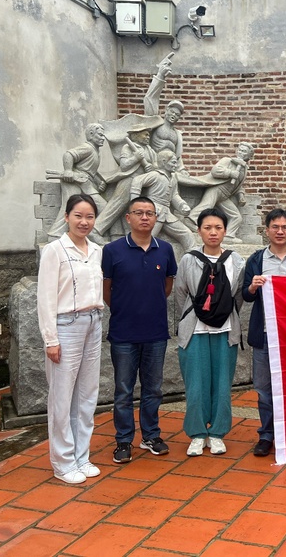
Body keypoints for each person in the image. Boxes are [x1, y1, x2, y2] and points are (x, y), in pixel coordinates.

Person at [102, 197, 177, 464]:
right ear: (128, 218)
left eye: (150, 213)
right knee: (123, 390)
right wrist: (125, 308)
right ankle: (123, 440)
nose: (145, 217)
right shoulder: (112, 250)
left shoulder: (165, 249)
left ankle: (151, 435)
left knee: (153, 389)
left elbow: (167, 285)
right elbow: (107, 289)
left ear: (156, 218)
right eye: (139, 213)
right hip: (123, 333)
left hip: (155, 332)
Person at [37, 194, 104, 484]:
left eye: (89, 217)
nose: (84, 222)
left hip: (94, 322)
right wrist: (50, 339)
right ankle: (63, 463)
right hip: (66, 325)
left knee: (87, 395)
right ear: (66, 217)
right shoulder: (55, 250)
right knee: (62, 397)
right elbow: (45, 297)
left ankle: (81, 456)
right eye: (78, 215)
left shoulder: (96, 250)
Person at [175, 207, 245, 457]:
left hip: (226, 330)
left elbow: (238, 296)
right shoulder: (188, 259)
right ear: (199, 231)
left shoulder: (236, 261)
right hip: (195, 330)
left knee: (222, 384)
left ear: (225, 231)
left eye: (218, 228)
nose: (213, 232)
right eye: (207, 228)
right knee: (195, 384)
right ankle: (196, 434)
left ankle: (217, 433)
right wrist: (189, 318)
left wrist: (221, 312)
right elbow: (181, 294)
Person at [243, 208, 286, 457]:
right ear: (267, 230)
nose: (280, 231)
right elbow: (245, 295)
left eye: (285, 227)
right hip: (265, 334)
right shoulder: (256, 260)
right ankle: (266, 435)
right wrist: (253, 286)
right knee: (264, 388)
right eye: (275, 227)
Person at [46, 123, 108, 239]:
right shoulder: (88, 148)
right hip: (73, 182)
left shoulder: (95, 151)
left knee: (100, 207)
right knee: (70, 207)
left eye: (103, 135)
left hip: (85, 182)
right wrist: (68, 170)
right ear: (91, 135)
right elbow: (68, 154)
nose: (103, 138)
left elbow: (90, 170)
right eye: (100, 135)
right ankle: (55, 235)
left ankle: (92, 233)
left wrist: (99, 182)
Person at [187, 142, 256, 243]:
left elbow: (238, 185)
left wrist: (241, 195)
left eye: (244, 151)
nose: (241, 152)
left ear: (249, 156)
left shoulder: (244, 169)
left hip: (225, 196)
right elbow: (215, 171)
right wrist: (230, 173)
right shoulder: (227, 160)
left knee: (236, 216)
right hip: (217, 189)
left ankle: (229, 236)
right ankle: (190, 220)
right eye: (240, 150)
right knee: (207, 205)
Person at [129, 150, 195, 251]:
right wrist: (136, 205)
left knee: (187, 234)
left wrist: (182, 205)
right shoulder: (156, 175)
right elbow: (137, 181)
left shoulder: (173, 178)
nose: (176, 165)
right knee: (147, 239)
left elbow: (174, 196)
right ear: (164, 162)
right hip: (153, 213)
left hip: (167, 215)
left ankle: (192, 258)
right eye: (173, 162)